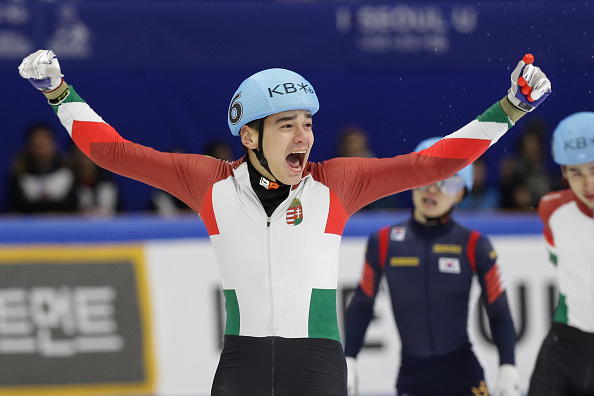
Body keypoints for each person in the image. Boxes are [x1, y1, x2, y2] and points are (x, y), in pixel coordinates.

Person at [18, 49, 550, 395]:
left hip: (317, 367)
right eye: (286, 126)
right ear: (249, 137)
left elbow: (433, 163)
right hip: (241, 366)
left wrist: (510, 107)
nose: (304, 137)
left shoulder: (337, 183)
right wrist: (61, 94)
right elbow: (115, 153)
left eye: (308, 125)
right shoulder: (210, 183)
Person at [344, 136, 519, 396]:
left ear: (461, 193)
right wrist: (349, 359)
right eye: (425, 177)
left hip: (464, 375)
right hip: (412, 379)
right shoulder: (382, 242)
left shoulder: (474, 244)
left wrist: (508, 366)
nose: (433, 189)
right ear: (411, 179)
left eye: (447, 182)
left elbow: (498, 310)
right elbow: (361, 304)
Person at [527, 112, 594, 396]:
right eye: (576, 172)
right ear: (563, 173)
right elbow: (559, 258)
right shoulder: (552, 210)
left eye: (593, 169)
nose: (587, 183)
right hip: (566, 344)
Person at [7, 121, 78, 214]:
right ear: (29, 146)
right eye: (36, 145)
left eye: (44, 144)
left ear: (53, 145)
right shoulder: (19, 176)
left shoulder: (68, 174)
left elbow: (72, 206)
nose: (40, 150)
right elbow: (18, 206)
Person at [70, 143, 122, 215]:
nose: (85, 163)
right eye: (80, 156)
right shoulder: (67, 185)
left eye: (87, 157)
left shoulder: (108, 186)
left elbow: (120, 216)